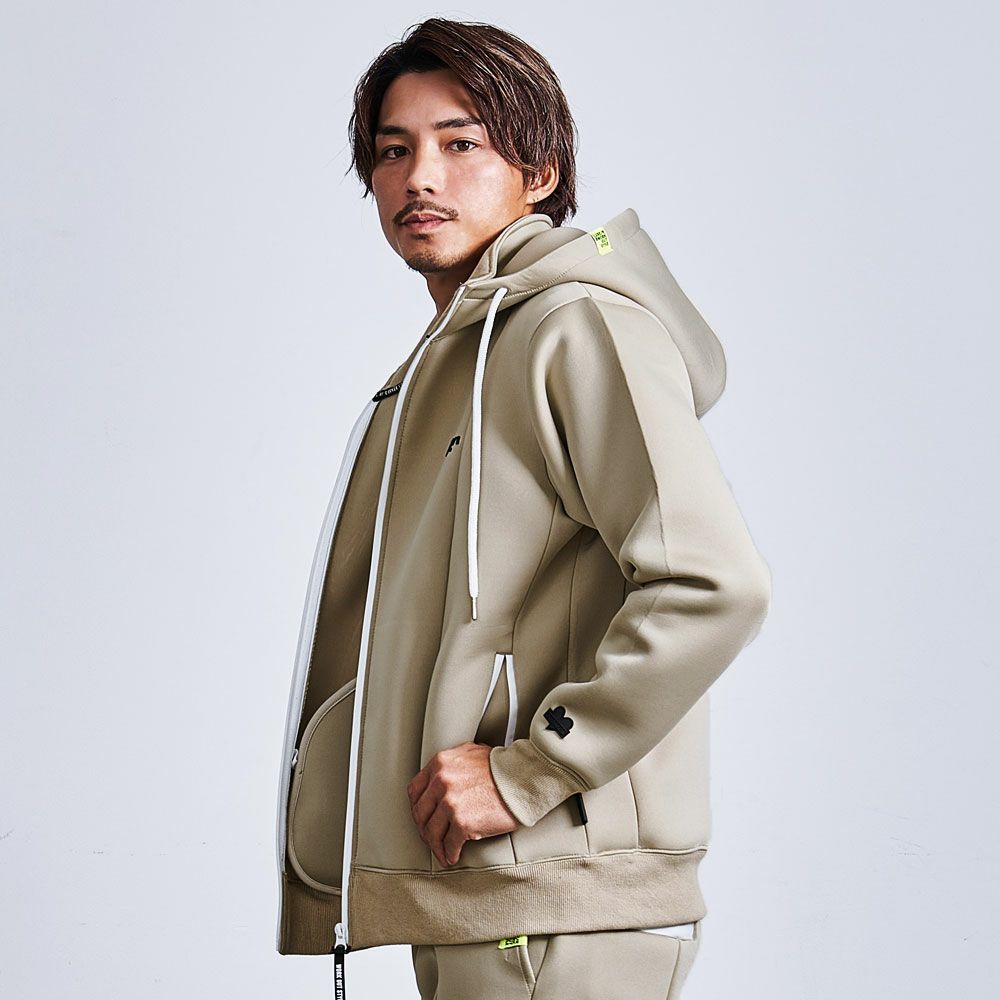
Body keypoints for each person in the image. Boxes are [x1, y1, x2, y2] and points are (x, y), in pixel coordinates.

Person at [274, 17, 772, 1000]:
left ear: (539, 172)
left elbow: (714, 583)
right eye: (393, 151)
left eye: (460, 143)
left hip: (554, 903)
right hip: (483, 892)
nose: (420, 177)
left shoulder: (576, 329)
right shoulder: (447, 366)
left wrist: (531, 771)